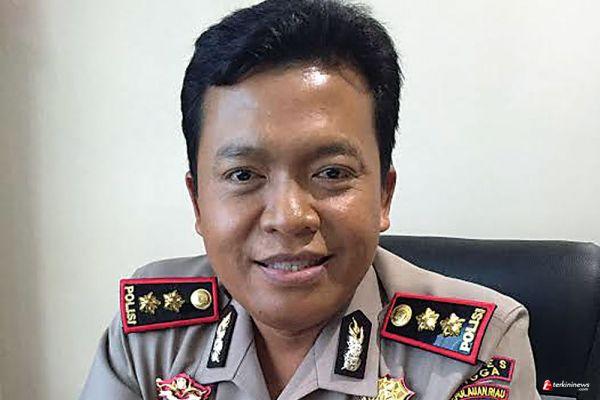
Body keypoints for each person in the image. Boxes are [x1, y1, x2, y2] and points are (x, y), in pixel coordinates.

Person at [79, 1, 541, 399]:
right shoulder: (151, 336)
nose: (288, 217)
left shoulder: (475, 351)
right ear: (198, 202)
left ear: (384, 195)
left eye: (332, 173)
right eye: (243, 175)